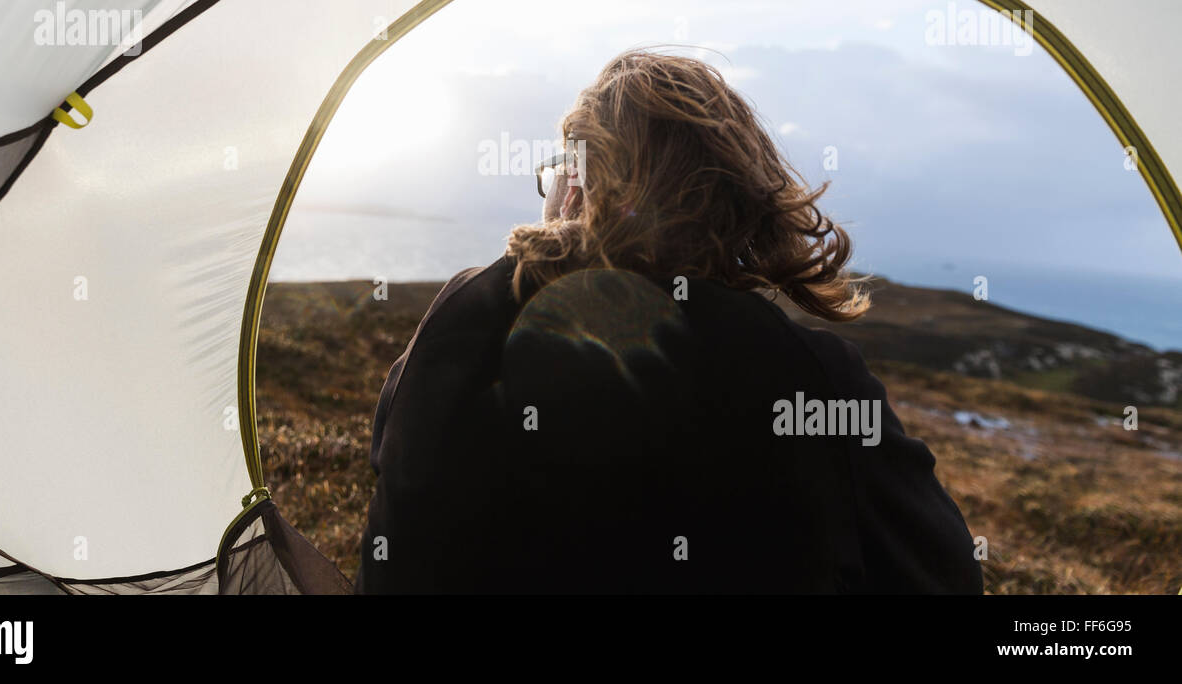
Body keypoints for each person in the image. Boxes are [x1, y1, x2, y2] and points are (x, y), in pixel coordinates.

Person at [354, 48, 983, 594]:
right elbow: (943, 577)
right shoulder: (810, 377)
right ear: (735, 200)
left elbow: (396, 520)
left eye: (553, 173)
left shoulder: (461, 317)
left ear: (576, 186)